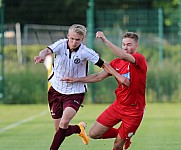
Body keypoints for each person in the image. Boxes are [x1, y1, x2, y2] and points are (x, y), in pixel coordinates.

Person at [34, 24, 127, 150]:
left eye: (77, 39)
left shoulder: (85, 52)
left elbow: (104, 64)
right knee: (59, 130)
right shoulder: (61, 44)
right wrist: (42, 56)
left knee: (64, 123)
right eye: (71, 38)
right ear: (68, 36)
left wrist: (119, 76)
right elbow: (46, 50)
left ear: (82, 39)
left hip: (75, 92)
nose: (73, 42)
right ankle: (79, 128)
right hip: (56, 90)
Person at [62, 31, 147, 150]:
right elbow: (98, 77)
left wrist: (105, 40)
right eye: (123, 44)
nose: (125, 47)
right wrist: (76, 79)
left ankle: (123, 138)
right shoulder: (116, 63)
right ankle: (125, 137)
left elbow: (123, 55)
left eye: (129, 44)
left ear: (136, 46)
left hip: (134, 110)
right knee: (94, 133)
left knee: (118, 146)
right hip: (118, 106)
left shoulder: (139, 59)